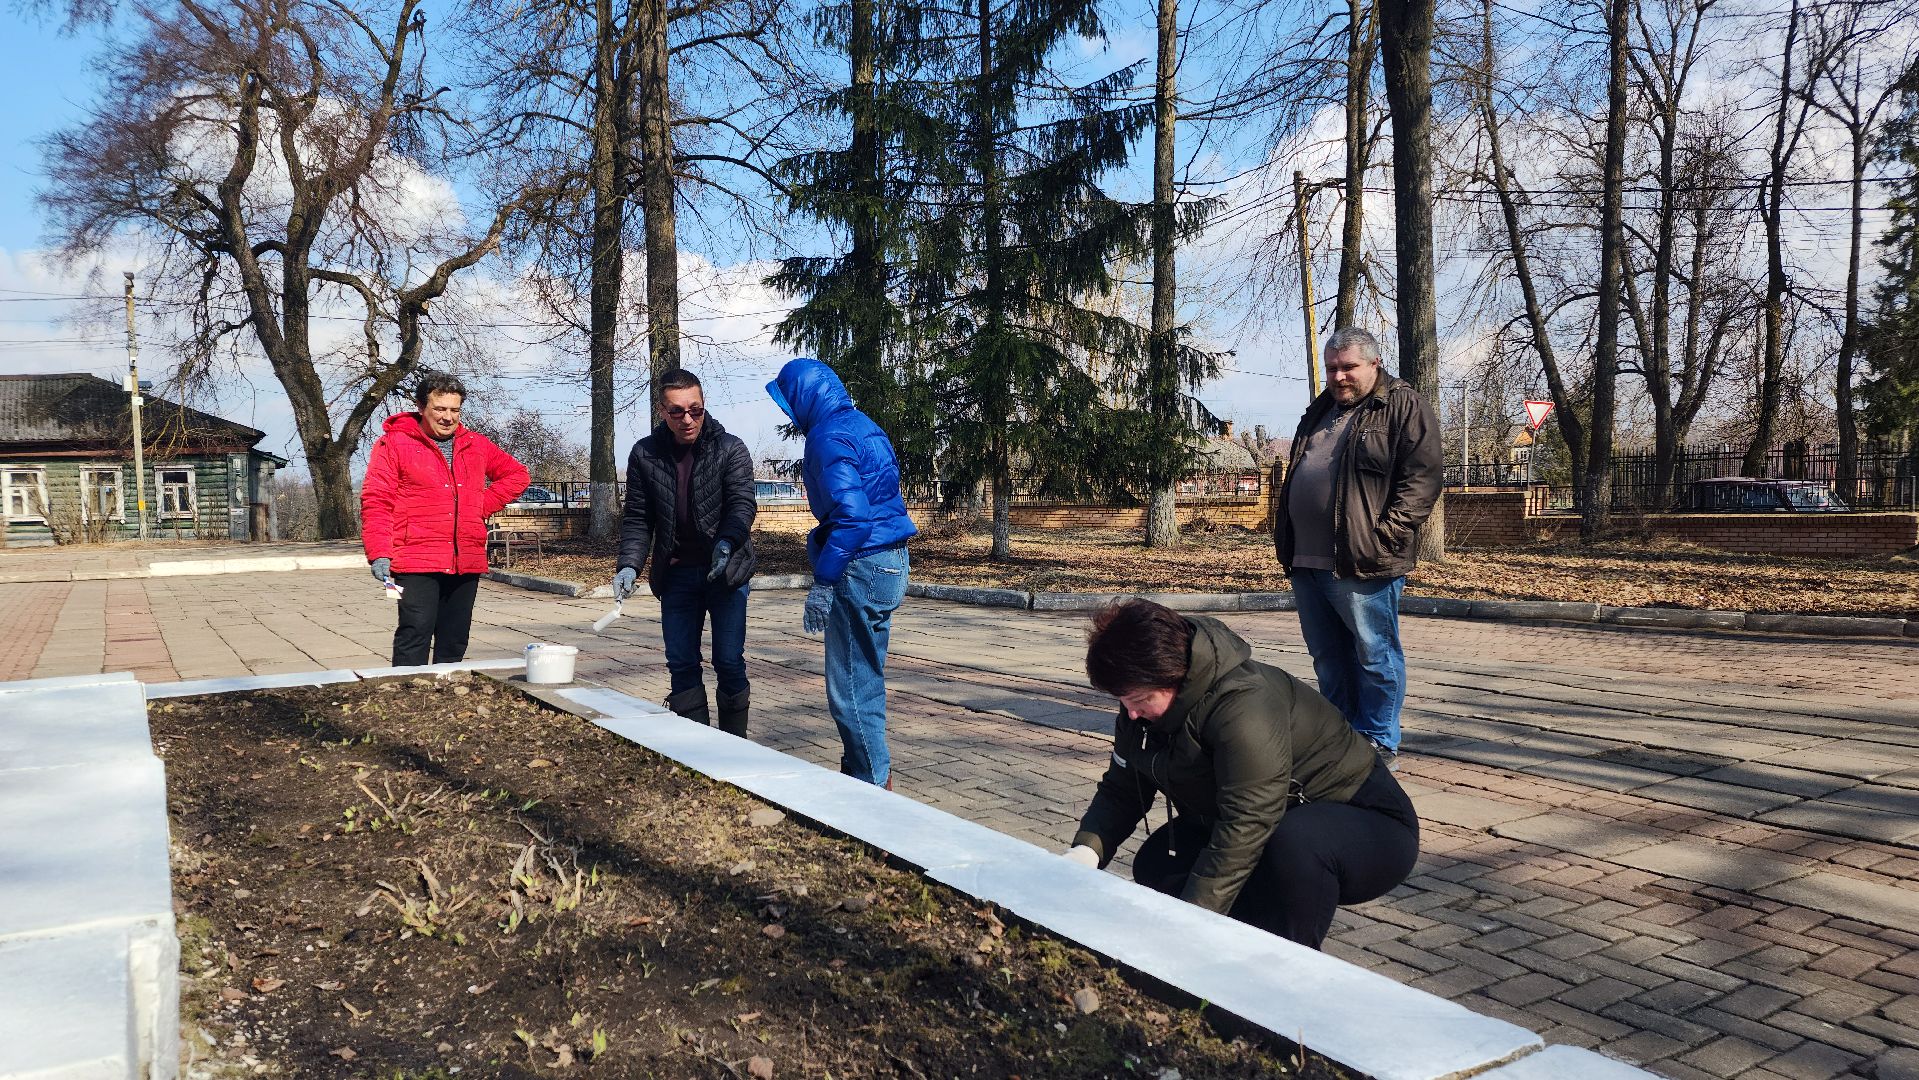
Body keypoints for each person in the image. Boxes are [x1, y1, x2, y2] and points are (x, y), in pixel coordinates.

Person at [1063, 599, 1419, 949]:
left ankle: (1284, 965)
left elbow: (1247, 820)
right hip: (1274, 820)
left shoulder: (1244, 706)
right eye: (1123, 700)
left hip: (1367, 826)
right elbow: (1121, 791)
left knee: (1294, 846)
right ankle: (1233, 941)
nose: (1131, 712)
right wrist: (1086, 852)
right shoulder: (1141, 713)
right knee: (1159, 864)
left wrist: (1192, 918)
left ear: (1172, 677)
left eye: (1139, 699)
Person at [1271, 326, 1441, 768]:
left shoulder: (1401, 405)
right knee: (1328, 658)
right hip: (1306, 559)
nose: (1339, 376)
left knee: (1373, 654)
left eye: (1349, 367)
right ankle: (1340, 736)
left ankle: (1380, 740)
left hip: (1362, 561)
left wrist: (1385, 535)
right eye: (1332, 368)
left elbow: (1422, 478)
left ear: (1373, 364)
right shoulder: (1320, 410)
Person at [765, 358, 918, 788]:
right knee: (867, 676)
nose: (789, 412)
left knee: (850, 689)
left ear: (805, 397)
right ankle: (858, 773)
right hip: (891, 561)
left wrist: (825, 579)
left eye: (789, 401)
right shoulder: (864, 425)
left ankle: (873, 791)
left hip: (860, 566)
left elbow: (853, 517)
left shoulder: (826, 437)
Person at [612, 368, 759, 736]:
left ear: (704, 405)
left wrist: (727, 541)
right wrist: (629, 565)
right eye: (676, 411)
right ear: (662, 410)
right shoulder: (645, 453)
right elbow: (638, 518)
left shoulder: (731, 448)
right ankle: (696, 749)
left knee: (728, 661)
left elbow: (742, 505)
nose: (687, 419)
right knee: (681, 663)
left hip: (726, 573)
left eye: (695, 409)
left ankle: (734, 746)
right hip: (676, 574)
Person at [361, 372, 529, 666]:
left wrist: (480, 505)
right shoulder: (394, 444)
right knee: (415, 631)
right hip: (414, 559)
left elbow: (517, 475)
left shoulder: (476, 444)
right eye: (440, 409)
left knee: (455, 637)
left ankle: (447, 696)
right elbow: (377, 500)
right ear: (421, 407)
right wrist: (379, 553)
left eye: (455, 410)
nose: (448, 417)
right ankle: (408, 695)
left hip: (465, 558)